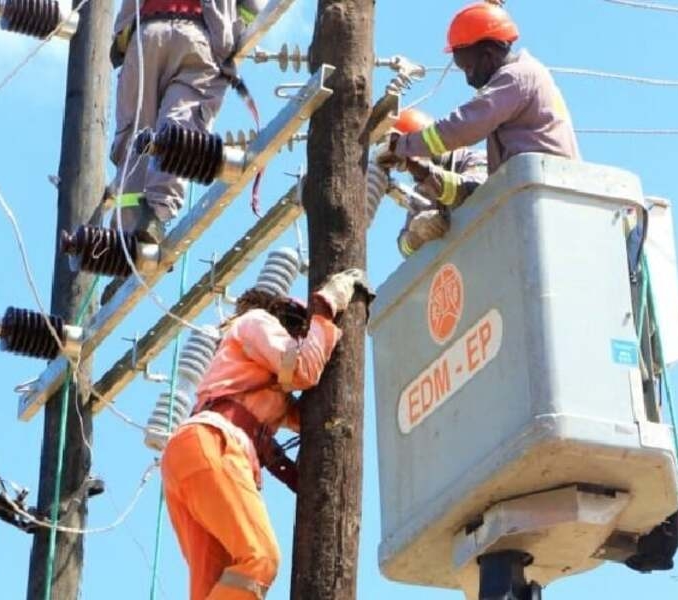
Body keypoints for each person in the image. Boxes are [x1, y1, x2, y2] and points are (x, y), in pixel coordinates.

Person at [160, 268, 371, 600]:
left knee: (222, 581)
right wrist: (326, 311)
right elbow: (303, 368)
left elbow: (314, 419)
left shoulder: (265, 394)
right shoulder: (256, 322)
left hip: (192, 455)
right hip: (211, 443)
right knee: (259, 558)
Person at [107, 0, 267, 244]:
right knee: (180, 130)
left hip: (144, 36)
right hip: (198, 36)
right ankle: (154, 216)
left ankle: (127, 236)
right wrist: (233, 32)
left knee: (136, 138)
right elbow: (254, 8)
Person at [377, 2, 580, 178]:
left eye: (468, 67)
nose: (469, 79)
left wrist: (402, 146)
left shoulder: (516, 77)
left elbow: (464, 127)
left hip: (541, 184)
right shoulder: (526, 73)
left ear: (488, 54)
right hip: (541, 185)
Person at [384, 109, 488, 257]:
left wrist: (425, 172)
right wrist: (415, 236)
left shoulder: (475, 159)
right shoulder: (421, 192)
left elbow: (473, 190)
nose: (413, 166)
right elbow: (404, 249)